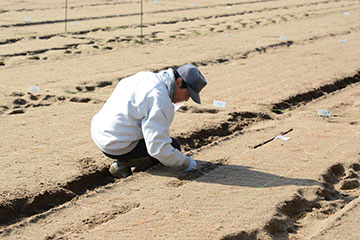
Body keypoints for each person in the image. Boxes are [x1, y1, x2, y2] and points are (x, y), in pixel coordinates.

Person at [91, 64, 207, 178]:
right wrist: (186, 163)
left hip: (99, 131)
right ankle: (124, 164)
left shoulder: (146, 77)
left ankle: (133, 160)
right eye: (188, 94)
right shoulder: (160, 100)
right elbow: (158, 147)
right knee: (173, 146)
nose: (186, 99)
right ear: (179, 82)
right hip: (114, 143)